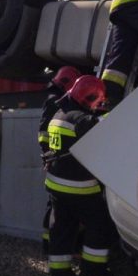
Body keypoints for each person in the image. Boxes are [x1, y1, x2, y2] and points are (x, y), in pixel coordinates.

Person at [45, 75, 117, 276]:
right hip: (80, 188)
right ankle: (94, 270)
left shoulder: (59, 114)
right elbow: (108, 125)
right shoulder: (81, 119)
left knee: (61, 232)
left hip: (56, 186)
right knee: (100, 225)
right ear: (89, 98)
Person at [37, 66, 81, 251]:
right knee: (53, 204)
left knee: (55, 203)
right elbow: (43, 134)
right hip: (55, 159)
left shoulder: (53, 100)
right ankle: (49, 243)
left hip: (55, 159)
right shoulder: (54, 102)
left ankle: (50, 243)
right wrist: (50, 154)